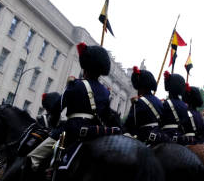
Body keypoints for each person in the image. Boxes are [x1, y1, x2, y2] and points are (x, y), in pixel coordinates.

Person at [26, 42, 114, 172]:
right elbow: (105, 117)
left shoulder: (75, 85)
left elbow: (57, 109)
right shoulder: (106, 92)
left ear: (85, 67)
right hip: (94, 133)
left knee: (32, 157)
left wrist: (54, 124)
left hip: (70, 131)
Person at [123, 66, 164, 144]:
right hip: (159, 138)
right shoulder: (159, 102)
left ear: (139, 86)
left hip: (143, 139)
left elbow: (130, 125)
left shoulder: (138, 101)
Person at [160, 71, 194, 144]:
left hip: (165, 137)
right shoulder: (184, 106)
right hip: (180, 139)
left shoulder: (165, 104)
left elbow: (159, 122)